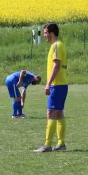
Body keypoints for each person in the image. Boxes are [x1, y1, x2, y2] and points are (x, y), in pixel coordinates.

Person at [34, 23, 68, 152]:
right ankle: (61, 144)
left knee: (51, 113)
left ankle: (47, 145)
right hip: (60, 84)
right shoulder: (58, 45)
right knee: (58, 113)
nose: (44, 35)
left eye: (46, 33)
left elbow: (56, 66)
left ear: (52, 33)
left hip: (57, 85)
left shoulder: (56, 46)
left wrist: (48, 83)